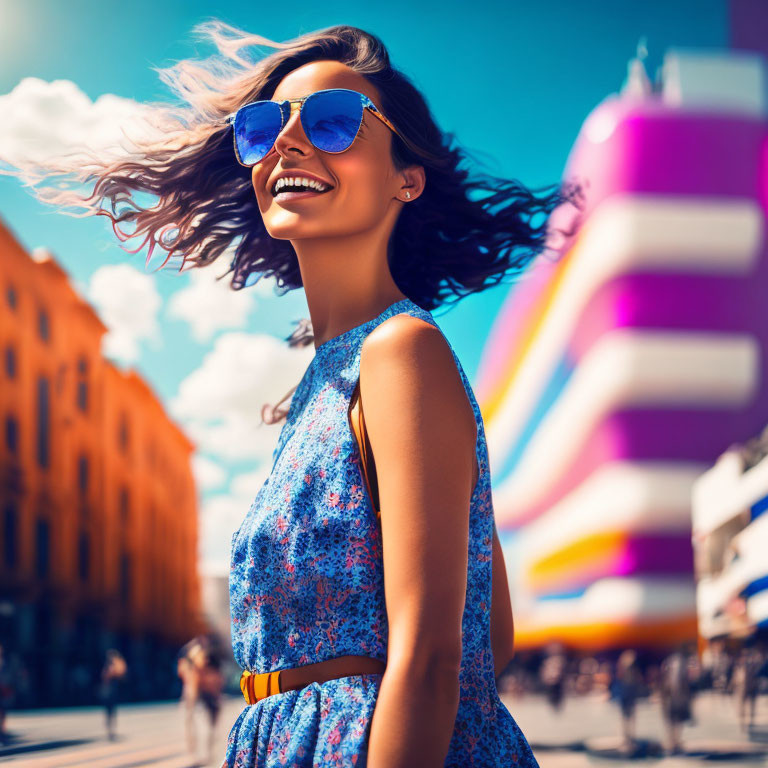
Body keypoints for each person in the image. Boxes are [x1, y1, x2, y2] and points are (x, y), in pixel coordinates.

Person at [4, 20, 582, 767]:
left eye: (335, 121)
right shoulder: (326, 382)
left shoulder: (402, 351)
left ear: (407, 178)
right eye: (264, 126)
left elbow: (442, 659)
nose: (288, 142)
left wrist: (352, 703)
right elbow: (491, 627)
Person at [659, 645, 694, 755]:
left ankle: (673, 742)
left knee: (672, 720)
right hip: (675, 696)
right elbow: (677, 682)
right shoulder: (680, 662)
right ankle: (674, 742)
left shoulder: (670, 662)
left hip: (670, 696)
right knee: (676, 720)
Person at [611, 650, 643, 752]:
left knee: (630, 716)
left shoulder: (632, 670)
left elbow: (637, 682)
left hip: (629, 695)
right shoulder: (623, 669)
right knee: (626, 717)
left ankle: (630, 737)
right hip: (625, 695)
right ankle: (627, 737)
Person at [99, 649, 127, 741]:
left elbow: (120, 675)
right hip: (108, 691)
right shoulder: (107, 666)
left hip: (112, 691)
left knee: (111, 711)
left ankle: (111, 730)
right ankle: (110, 730)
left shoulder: (116, 665)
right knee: (109, 711)